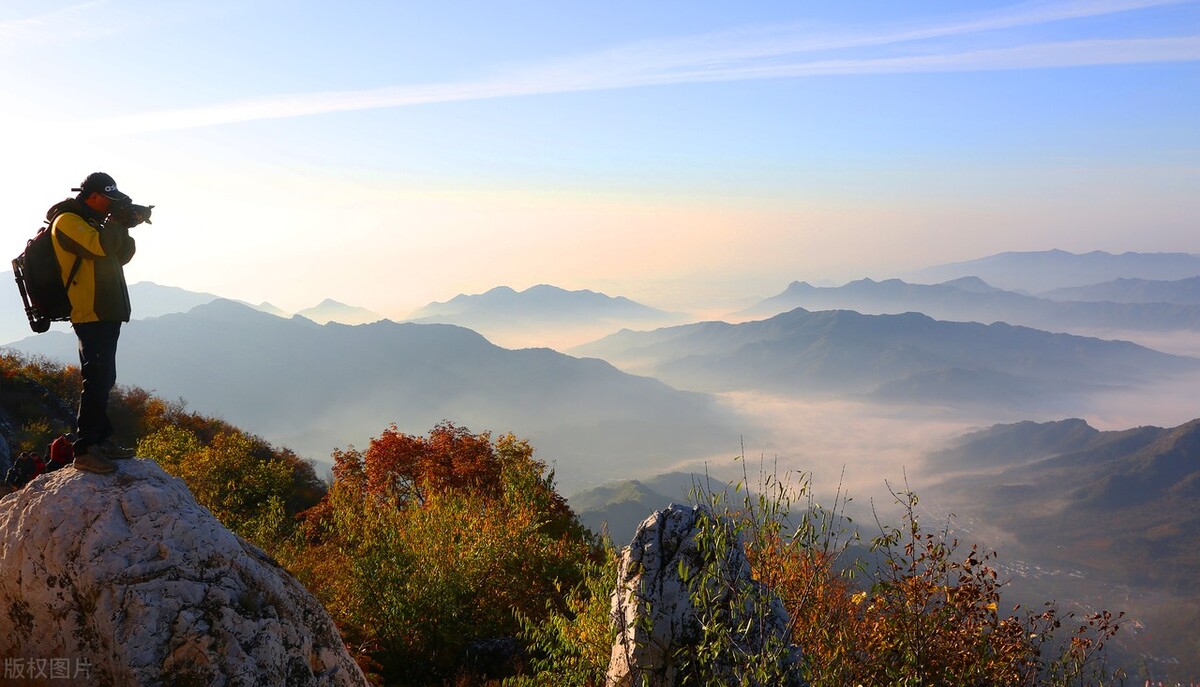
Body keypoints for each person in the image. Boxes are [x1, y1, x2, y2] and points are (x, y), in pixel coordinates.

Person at [48, 172, 148, 474]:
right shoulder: (67, 222)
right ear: (92, 196)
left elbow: (122, 255)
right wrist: (116, 223)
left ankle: (101, 440)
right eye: (109, 200)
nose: (112, 206)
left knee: (105, 377)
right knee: (96, 378)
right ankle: (85, 449)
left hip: (108, 309)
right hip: (90, 310)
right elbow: (100, 248)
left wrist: (125, 226)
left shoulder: (95, 223)